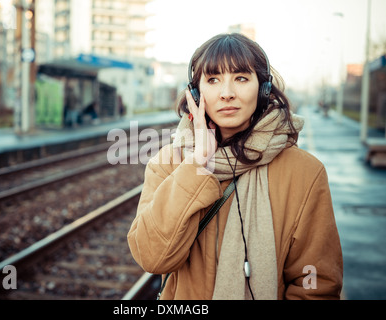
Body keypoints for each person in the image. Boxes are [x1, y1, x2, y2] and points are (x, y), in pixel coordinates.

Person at [127, 33, 343, 300]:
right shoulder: (168, 164)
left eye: (241, 78)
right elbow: (152, 257)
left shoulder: (305, 174)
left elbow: (315, 280)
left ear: (263, 89)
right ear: (195, 94)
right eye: (213, 80)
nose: (227, 93)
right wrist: (196, 165)